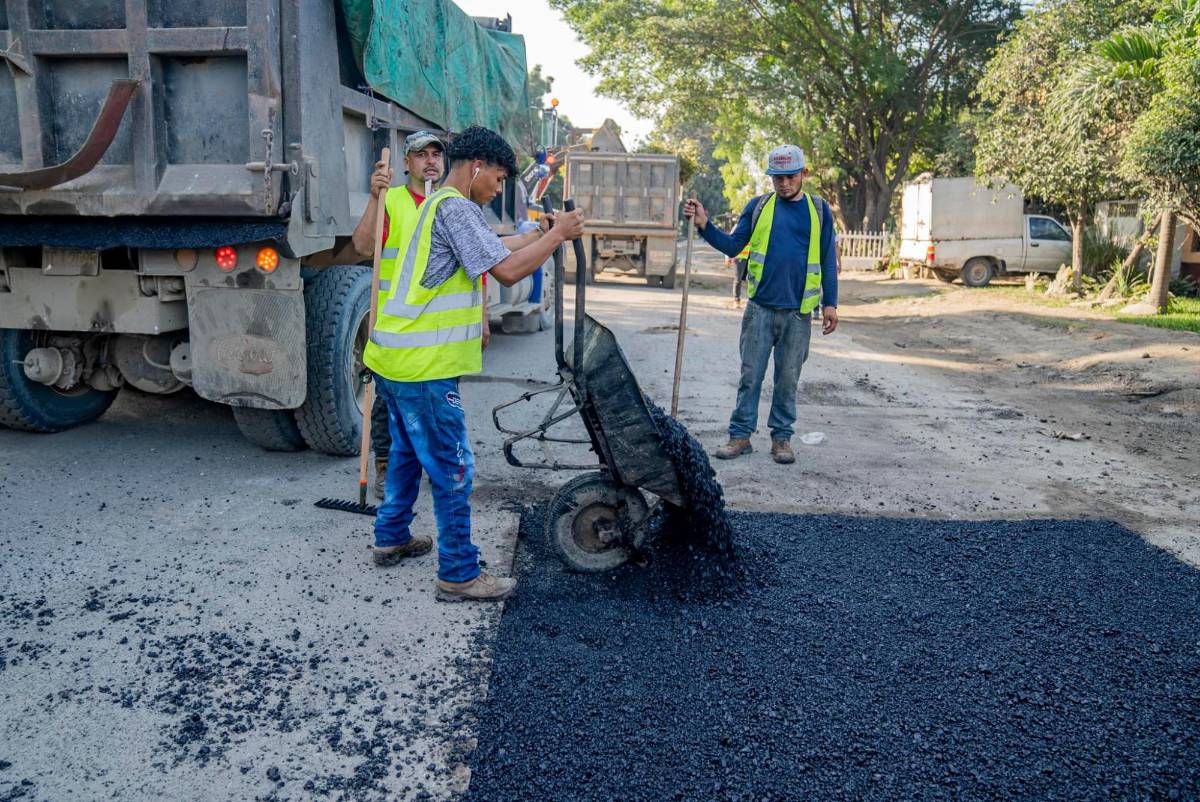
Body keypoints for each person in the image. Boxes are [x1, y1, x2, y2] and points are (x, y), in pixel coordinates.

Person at [363, 125, 584, 602]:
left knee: (404, 453)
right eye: (500, 179)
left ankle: (391, 536)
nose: (499, 189)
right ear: (478, 167)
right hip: (422, 365)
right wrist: (560, 235)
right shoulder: (456, 208)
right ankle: (459, 573)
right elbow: (505, 271)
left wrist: (541, 236)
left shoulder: (440, 205)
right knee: (453, 466)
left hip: (395, 358)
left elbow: (495, 250)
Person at [683, 144, 839, 465]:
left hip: (798, 314)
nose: (783, 183)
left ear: (803, 174)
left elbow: (826, 260)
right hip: (760, 311)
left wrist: (830, 304)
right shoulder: (758, 207)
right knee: (750, 375)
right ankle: (740, 436)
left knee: (787, 378)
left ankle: (781, 439)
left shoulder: (819, 211)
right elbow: (732, 245)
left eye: (790, 176)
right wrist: (704, 225)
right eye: (777, 177)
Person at [346, 130, 448, 499]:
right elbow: (361, 246)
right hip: (394, 324)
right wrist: (376, 198)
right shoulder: (393, 201)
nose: (431, 160)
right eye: (422, 154)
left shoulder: (450, 204)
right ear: (407, 164)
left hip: (438, 326)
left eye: (436, 153)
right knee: (387, 399)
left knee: (437, 403)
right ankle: (386, 468)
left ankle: (432, 466)